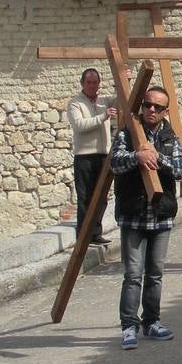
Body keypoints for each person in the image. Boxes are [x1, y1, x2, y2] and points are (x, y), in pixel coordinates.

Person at [111, 85, 182, 350]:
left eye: (157, 107)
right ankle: (128, 326)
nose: (151, 110)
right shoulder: (128, 132)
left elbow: (180, 169)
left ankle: (152, 321)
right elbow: (114, 162)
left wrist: (158, 159)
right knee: (133, 273)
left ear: (165, 111)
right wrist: (137, 156)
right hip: (133, 214)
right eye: (147, 105)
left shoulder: (170, 136)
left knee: (155, 273)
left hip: (160, 215)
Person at [69, 68, 118, 245]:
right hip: (84, 157)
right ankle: (83, 235)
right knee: (85, 197)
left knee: (102, 197)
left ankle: (96, 233)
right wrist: (103, 116)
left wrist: (124, 80)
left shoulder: (104, 100)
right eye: (89, 82)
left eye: (95, 82)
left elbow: (123, 100)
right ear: (82, 83)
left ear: (99, 83)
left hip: (103, 155)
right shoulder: (75, 103)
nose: (92, 85)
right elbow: (79, 125)